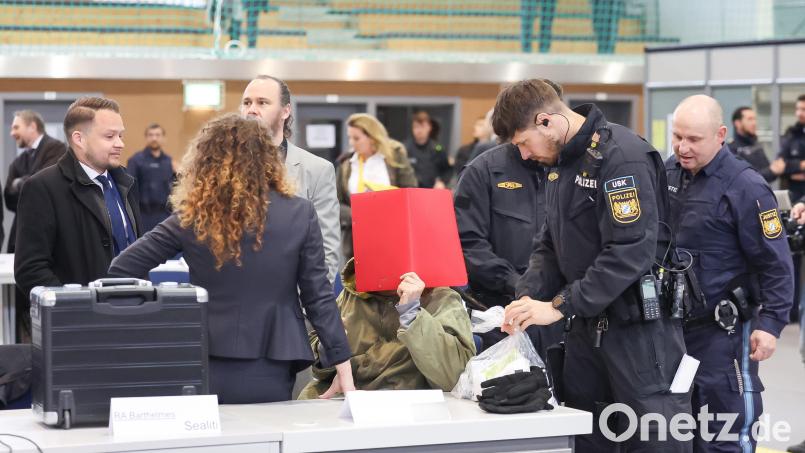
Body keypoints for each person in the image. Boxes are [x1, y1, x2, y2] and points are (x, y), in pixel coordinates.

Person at [497, 79, 690, 451]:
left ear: (546, 122)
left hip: (638, 332)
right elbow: (549, 246)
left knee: (653, 438)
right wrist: (527, 298)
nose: (523, 155)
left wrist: (558, 306)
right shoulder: (561, 165)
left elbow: (629, 251)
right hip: (587, 331)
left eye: (523, 142)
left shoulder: (622, 157)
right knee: (585, 437)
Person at [108, 114, 354, 403]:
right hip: (274, 357)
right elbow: (318, 297)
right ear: (268, 157)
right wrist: (343, 367)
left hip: (205, 352)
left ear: (206, 159)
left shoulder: (193, 216)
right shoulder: (300, 212)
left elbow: (121, 269)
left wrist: (170, 320)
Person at [667, 95, 793, 452]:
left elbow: (777, 264)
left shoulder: (747, 187)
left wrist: (771, 325)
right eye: (677, 136)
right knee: (677, 431)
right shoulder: (667, 174)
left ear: (721, 134)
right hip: (672, 328)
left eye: (693, 139)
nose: (682, 147)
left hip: (723, 333)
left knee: (724, 431)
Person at [14, 97, 142, 299]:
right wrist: (74, 307)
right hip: (80, 321)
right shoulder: (43, 188)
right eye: (109, 136)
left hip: (134, 312)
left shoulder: (126, 183)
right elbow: (30, 270)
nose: (120, 143)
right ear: (79, 139)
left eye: (120, 135)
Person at [297, 258, 475, 399]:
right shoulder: (352, 292)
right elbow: (318, 365)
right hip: (342, 404)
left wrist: (412, 316)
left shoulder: (442, 298)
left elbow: (455, 377)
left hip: (403, 411)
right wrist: (329, 350)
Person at [240, 75, 341, 285]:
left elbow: (327, 251)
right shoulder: (222, 166)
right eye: (247, 102)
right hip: (237, 301)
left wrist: (307, 309)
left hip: (293, 305)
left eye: (262, 102)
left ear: (285, 111)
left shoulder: (317, 170)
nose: (251, 110)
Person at [337, 113, 417, 260]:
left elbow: (411, 192)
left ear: (372, 137)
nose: (351, 143)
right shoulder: (346, 164)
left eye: (356, 138)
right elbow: (336, 202)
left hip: (392, 232)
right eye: (349, 137)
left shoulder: (394, 157)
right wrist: (355, 214)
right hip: (357, 237)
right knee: (360, 280)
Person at [6, 110, 66, 253]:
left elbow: (44, 185)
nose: (12, 133)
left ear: (32, 126)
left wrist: (18, 183)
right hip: (20, 236)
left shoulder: (57, 148)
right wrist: (27, 181)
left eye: (16, 127)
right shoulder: (17, 162)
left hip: (48, 235)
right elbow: (9, 198)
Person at [126, 123, 175, 232]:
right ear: (146, 138)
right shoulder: (135, 161)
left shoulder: (169, 162)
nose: (154, 138)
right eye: (151, 135)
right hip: (143, 217)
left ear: (163, 138)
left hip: (165, 216)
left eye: (158, 135)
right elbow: (129, 190)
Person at [404, 110, 451, 189]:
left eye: (422, 126)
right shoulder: (404, 148)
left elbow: (447, 170)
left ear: (429, 127)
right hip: (410, 191)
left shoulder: (438, 148)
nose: (419, 130)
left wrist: (442, 182)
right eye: (416, 127)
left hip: (431, 191)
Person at [727, 106, 775, 182]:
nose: (754, 123)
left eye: (755, 119)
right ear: (738, 123)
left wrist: (774, 171)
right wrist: (772, 171)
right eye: (750, 119)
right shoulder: (731, 150)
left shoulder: (756, 144)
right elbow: (746, 180)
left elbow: (766, 170)